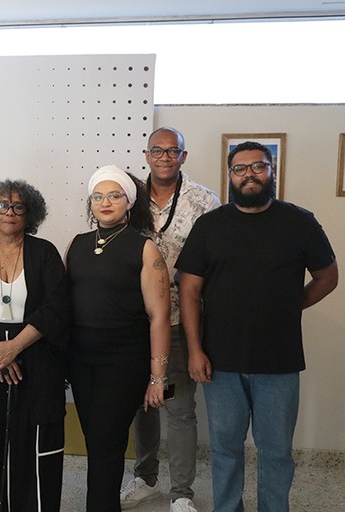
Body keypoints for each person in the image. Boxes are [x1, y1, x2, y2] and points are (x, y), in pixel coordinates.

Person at [177, 141, 338, 512]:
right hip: (220, 361)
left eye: (258, 166)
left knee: (277, 453)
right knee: (225, 450)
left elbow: (328, 276)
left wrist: (289, 304)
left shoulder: (299, 222)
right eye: (240, 168)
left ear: (272, 170)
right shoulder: (210, 225)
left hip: (279, 362)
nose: (249, 174)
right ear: (230, 174)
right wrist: (195, 349)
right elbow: (189, 290)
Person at [120, 127, 220, 512]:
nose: (164, 157)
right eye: (156, 150)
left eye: (172, 151)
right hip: (135, 321)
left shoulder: (204, 200)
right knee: (142, 404)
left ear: (184, 156)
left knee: (178, 408)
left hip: (180, 321)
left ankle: (181, 493)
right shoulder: (129, 197)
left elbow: (216, 259)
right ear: (146, 155)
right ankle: (145, 480)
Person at [0, 179, 69, 512]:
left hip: (34, 358)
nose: (10, 212)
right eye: (3, 205)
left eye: (18, 206)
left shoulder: (44, 253)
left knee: (31, 447)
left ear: (29, 213)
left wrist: (15, 347)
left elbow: (56, 306)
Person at [66, 165, 171, 512]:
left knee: (108, 443)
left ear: (129, 202)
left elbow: (159, 317)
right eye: (98, 196)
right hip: (81, 362)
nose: (105, 202)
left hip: (124, 361)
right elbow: (65, 307)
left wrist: (157, 377)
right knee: (97, 441)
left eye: (114, 195)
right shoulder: (77, 245)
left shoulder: (144, 250)